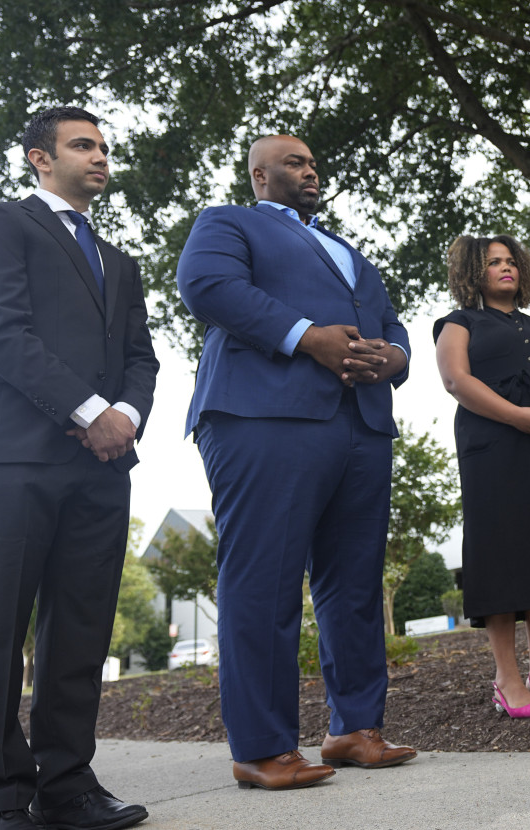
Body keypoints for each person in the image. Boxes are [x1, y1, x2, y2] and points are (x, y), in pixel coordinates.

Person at [177, 135, 416, 790]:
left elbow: (391, 324)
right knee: (266, 579)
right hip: (263, 416)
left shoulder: (350, 251)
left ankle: (354, 728)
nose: (309, 170)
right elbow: (207, 286)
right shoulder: (228, 222)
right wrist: (307, 338)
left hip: (361, 422)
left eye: (313, 162)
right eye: (293, 162)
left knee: (356, 582)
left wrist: (393, 359)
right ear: (259, 174)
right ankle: (262, 748)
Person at [0, 107, 157, 830]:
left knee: (81, 631)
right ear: (40, 158)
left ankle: (68, 786)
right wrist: (88, 409)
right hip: (13, 453)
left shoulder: (120, 261)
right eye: (82, 145)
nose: (100, 157)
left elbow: (142, 356)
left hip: (103, 463)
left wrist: (125, 417)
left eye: (103, 146)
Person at [433, 235, 530, 718]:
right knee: (501, 555)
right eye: (493, 262)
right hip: (493, 451)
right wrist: (519, 417)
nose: (505, 268)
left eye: (511, 261)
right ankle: (506, 678)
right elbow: (458, 380)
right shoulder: (459, 324)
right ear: (473, 273)